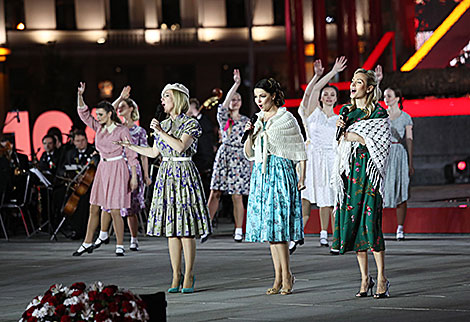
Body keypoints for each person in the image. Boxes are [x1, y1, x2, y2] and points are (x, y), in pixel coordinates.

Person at [117, 83, 211, 293]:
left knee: (186, 230)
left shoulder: (191, 123)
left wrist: (159, 130)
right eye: (162, 96)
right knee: (172, 231)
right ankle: (175, 273)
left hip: (184, 172)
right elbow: (153, 152)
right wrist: (129, 146)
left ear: (177, 99)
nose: (162, 100)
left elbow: (180, 146)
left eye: (166, 96)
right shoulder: (164, 124)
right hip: (166, 173)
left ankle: (188, 274)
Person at [331, 68, 391, 298]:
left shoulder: (378, 113)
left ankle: (382, 277)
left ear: (369, 88)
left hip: (370, 173)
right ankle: (365, 278)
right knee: (355, 224)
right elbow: (338, 142)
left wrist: (358, 137)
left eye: (358, 82)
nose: (353, 86)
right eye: (352, 82)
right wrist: (342, 133)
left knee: (371, 223)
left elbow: (383, 144)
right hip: (351, 175)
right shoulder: (346, 111)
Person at [244, 78, 307, 295]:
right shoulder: (258, 119)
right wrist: (250, 133)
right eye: (256, 97)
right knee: (270, 231)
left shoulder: (286, 118)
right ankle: (278, 277)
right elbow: (250, 152)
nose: (259, 101)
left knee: (280, 229)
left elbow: (299, 149)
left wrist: (302, 178)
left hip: (281, 172)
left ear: (272, 95)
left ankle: (287, 275)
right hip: (262, 173)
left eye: (262, 96)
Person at [72, 82, 138, 257]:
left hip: (118, 168)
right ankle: (87, 242)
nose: (98, 117)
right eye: (97, 115)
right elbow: (83, 114)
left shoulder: (121, 130)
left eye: (101, 115)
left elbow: (131, 153)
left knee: (115, 209)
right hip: (103, 168)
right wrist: (80, 95)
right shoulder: (98, 128)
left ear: (109, 114)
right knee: (94, 206)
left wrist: (134, 176)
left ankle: (119, 244)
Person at [293, 56, 347, 254]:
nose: (328, 97)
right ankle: (296, 235)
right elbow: (313, 91)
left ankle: (333, 237)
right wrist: (326, 74)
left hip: (330, 159)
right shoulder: (313, 113)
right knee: (305, 197)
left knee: (330, 198)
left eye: (332, 94)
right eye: (326, 94)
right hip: (311, 158)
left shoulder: (338, 118)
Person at [93, 86, 152, 252]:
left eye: (123, 107)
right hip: (114, 168)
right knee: (111, 205)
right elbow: (106, 113)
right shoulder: (116, 126)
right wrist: (119, 98)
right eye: (118, 108)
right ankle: (109, 237)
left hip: (132, 170)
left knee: (130, 208)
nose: (119, 109)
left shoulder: (139, 131)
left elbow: (143, 154)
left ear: (131, 109)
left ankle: (134, 238)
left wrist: (146, 175)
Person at [206, 69, 252, 242]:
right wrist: (236, 84)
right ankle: (206, 226)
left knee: (237, 195)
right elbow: (223, 105)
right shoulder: (224, 119)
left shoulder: (246, 121)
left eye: (238, 99)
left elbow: (250, 143)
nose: (235, 101)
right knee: (215, 192)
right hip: (225, 155)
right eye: (233, 99)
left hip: (240, 158)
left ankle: (239, 229)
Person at [383, 87, 414, 241]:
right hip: (383, 154)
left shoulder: (406, 117)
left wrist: (410, 162)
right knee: (380, 191)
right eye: (384, 96)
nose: (386, 99)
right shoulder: (381, 116)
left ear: (396, 98)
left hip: (398, 153)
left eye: (389, 96)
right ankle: (376, 228)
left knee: (401, 191)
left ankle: (400, 227)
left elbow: (409, 139)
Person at [60, 130, 96, 239]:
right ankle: (69, 226)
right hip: (74, 184)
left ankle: (82, 229)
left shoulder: (93, 152)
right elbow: (62, 169)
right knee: (60, 195)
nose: (80, 143)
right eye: (77, 141)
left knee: (83, 201)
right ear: (73, 142)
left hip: (89, 186)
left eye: (83, 140)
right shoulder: (70, 153)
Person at [187, 97, 216, 199]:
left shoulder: (203, 119)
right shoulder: (187, 120)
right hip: (194, 156)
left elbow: (208, 130)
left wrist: (197, 114)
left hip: (205, 155)